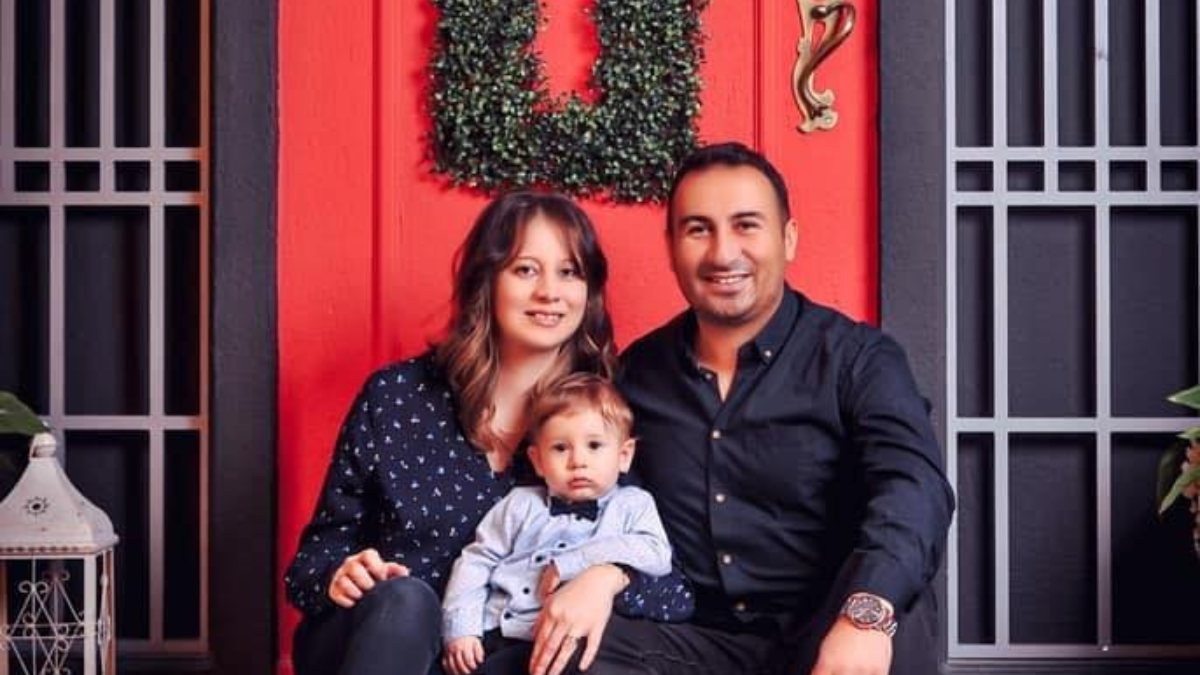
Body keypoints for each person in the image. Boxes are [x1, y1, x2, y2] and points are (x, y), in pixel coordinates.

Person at [529, 142, 955, 675]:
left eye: (746, 225)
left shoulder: (858, 359)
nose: (722, 252)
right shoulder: (638, 373)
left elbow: (916, 488)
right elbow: (610, 504)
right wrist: (605, 572)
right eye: (698, 229)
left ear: (788, 238)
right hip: (696, 638)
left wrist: (865, 614)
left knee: (893, 615)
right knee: (563, 648)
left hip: (833, 627)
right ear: (671, 246)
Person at [284, 191, 687, 675]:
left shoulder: (602, 422)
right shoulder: (397, 396)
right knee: (408, 602)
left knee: (563, 650)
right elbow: (308, 567)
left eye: (569, 272)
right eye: (525, 270)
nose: (550, 292)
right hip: (379, 644)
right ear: (486, 280)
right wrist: (339, 574)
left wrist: (607, 576)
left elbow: (671, 588)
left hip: (497, 656)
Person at [440, 373, 685, 675]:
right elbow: (476, 561)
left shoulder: (633, 505)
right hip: (499, 634)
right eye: (560, 448)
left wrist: (576, 561)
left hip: (573, 641)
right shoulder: (520, 504)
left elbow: (656, 553)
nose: (578, 460)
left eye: (594, 445)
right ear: (538, 461)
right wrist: (461, 629)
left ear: (624, 456)